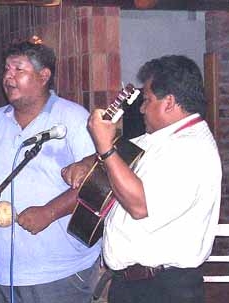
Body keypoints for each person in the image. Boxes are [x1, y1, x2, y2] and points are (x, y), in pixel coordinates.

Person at [61, 55, 222, 303]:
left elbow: (140, 205)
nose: (141, 108)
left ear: (169, 102)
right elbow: (120, 152)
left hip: (164, 289)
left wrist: (105, 148)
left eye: (147, 100)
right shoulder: (160, 138)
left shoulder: (192, 148)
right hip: (136, 286)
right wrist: (85, 164)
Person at [0, 40, 101, 303]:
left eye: (18, 69)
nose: (8, 77)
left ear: (44, 75)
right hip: (2, 270)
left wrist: (50, 212)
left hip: (60, 272)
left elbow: (99, 180)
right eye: (6, 69)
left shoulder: (72, 118)